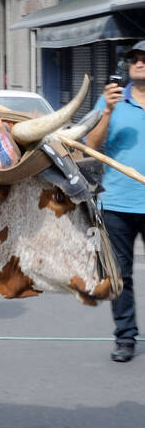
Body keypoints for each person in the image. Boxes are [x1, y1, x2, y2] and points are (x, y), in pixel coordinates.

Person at [87, 40, 145, 362]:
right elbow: (91, 145)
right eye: (134, 59)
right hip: (118, 204)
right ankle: (125, 338)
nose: (139, 63)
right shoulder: (111, 101)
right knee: (120, 276)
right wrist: (107, 110)